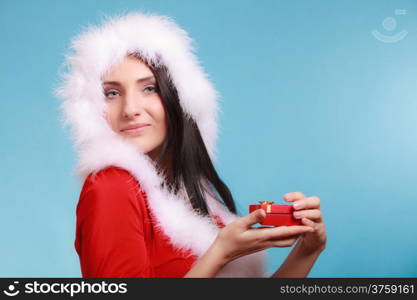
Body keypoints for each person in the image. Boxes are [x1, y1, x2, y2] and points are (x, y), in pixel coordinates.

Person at [55, 12, 327, 278]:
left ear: (180, 97)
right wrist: (220, 252)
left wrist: (308, 250)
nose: (130, 109)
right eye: (111, 93)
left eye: (149, 88)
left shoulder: (194, 195)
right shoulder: (110, 186)